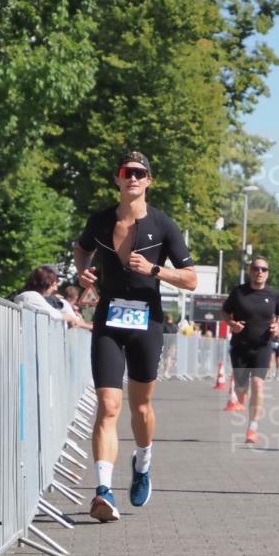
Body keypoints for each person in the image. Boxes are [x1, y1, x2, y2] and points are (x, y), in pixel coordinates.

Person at [74, 151, 197, 523]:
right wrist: (83, 272)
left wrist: (157, 270)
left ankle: (143, 462)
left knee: (140, 408)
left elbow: (191, 279)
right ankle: (103, 491)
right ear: (117, 178)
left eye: (140, 173)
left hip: (148, 322)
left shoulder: (163, 225)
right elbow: (82, 249)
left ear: (149, 180)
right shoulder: (99, 220)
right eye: (127, 172)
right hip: (109, 321)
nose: (133, 178)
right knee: (109, 406)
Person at [222, 257, 279, 444]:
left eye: (263, 269)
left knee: (258, 384)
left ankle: (252, 429)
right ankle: (241, 397)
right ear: (250, 271)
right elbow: (224, 312)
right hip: (240, 347)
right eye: (256, 269)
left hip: (263, 346)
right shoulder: (239, 292)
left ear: (268, 273)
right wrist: (232, 323)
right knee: (241, 390)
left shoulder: (273, 294)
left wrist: (277, 324)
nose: (259, 272)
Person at [14, 265, 86, 328]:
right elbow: (54, 315)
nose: (56, 289)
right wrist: (71, 318)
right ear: (46, 283)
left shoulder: (29, 295)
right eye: (54, 284)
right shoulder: (31, 296)